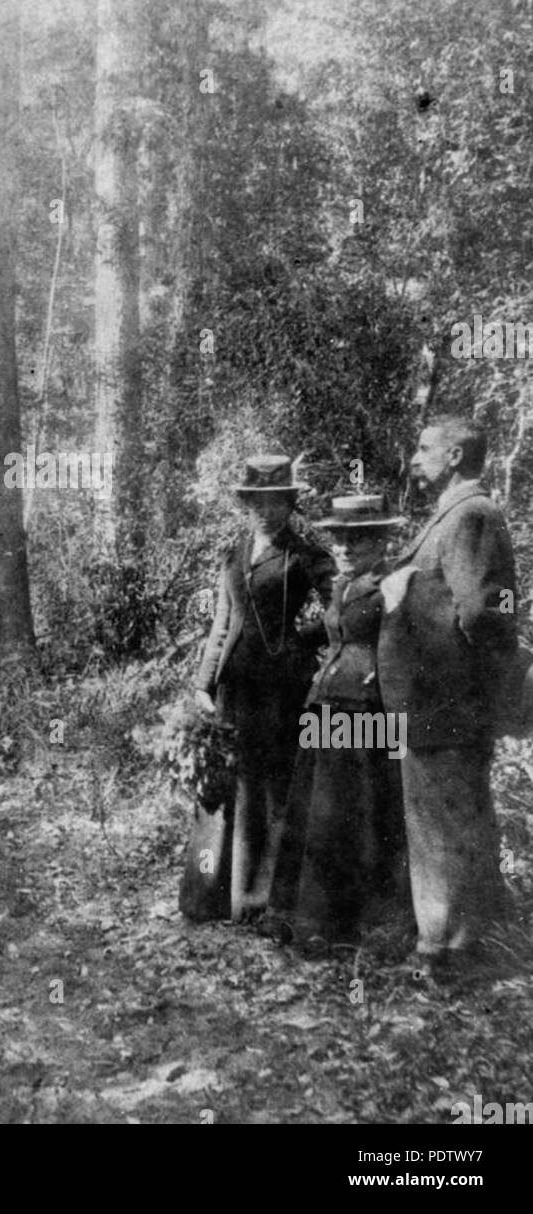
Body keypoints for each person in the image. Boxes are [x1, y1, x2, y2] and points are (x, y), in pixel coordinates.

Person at [378, 417, 517, 976]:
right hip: (432, 703)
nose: (414, 458)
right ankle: (447, 942)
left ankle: (452, 950)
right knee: (438, 821)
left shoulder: (472, 515)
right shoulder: (455, 514)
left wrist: (471, 671)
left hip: (446, 703)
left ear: (456, 455)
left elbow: (489, 608)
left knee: (446, 824)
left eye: (424, 449)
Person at [180, 454, 335, 924]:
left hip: (280, 690)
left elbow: (342, 612)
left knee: (272, 790)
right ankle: (213, 897)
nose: (265, 511)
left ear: (289, 504)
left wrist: (299, 640)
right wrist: (203, 683)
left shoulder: (306, 555)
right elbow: (222, 625)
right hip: (235, 689)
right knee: (230, 786)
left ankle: (264, 901)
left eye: (275, 502)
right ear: (246, 504)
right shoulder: (234, 553)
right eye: (256, 502)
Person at [268, 494, 409, 949]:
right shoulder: (343, 585)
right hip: (326, 703)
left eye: (358, 539)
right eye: (340, 540)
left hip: (367, 710)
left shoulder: (396, 584)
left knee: (358, 813)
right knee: (316, 811)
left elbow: (407, 650)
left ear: (382, 540)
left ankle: (351, 922)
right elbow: (339, 631)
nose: (346, 548)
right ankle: (307, 915)